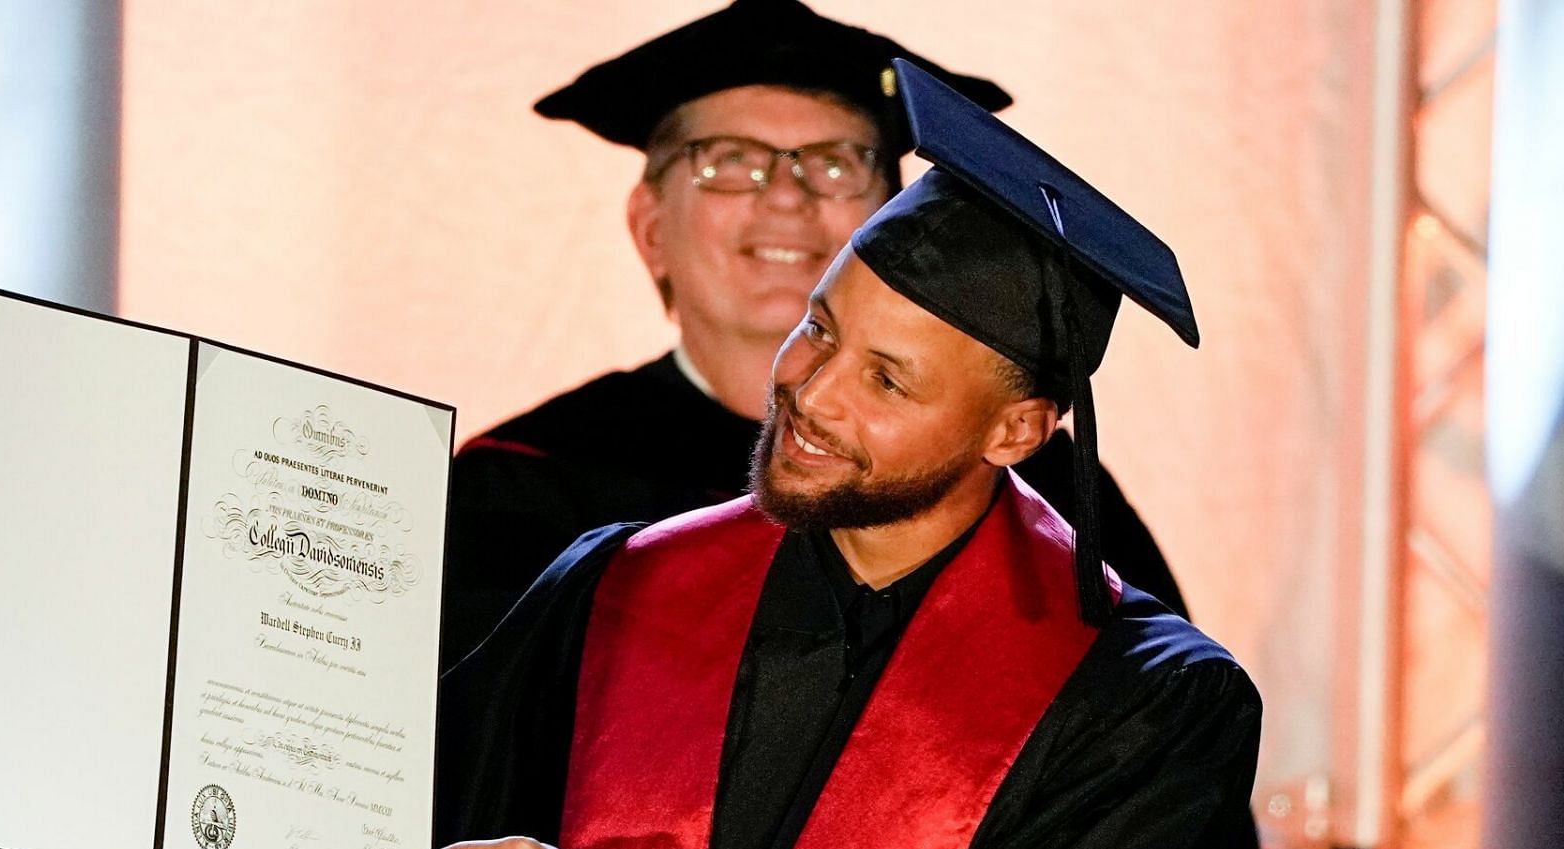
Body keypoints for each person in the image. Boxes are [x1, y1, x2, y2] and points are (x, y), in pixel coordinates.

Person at [0, 61, 1263, 849]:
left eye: (887, 377)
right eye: (823, 329)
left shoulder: (1147, 701)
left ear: (1016, 431)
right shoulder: (620, 584)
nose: (815, 391)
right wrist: (7, 643)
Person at [443, 0, 1189, 670]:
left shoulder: (1043, 496)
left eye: (836, 166)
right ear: (649, 227)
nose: (789, 201)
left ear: (900, 225)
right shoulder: (520, 485)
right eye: (730, 163)